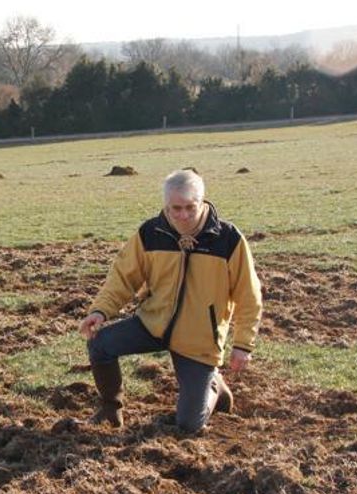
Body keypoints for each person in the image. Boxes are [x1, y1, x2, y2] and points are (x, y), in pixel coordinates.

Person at [79, 168, 262, 433]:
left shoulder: (228, 239)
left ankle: (215, 386)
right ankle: (110, 411)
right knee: (101, 344)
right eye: (176, 208)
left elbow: (249, 294)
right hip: (153, 324)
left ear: (203, 201)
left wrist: (243, 344)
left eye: (191, 207)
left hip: (199, 338)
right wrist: (100, 311)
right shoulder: (150, 233)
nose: (183, 215)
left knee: (189, 425)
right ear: (166, 204)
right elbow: (122, 278)